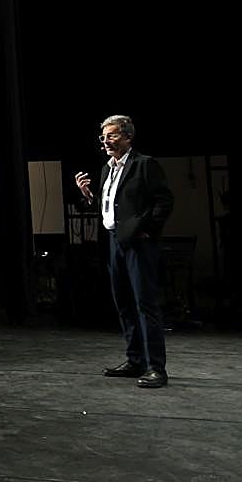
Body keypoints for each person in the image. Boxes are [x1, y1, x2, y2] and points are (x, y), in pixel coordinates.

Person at [75, 114, 174, 389]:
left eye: (112, 135)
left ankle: (156, 367)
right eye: (103, 136)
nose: (105, 140)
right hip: (113, 242)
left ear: (128, 136)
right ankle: (135, 360)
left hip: (138, 244)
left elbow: (163, 201)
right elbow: (111, 208)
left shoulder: (144, 165)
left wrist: (148, 231)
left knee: (145, 305)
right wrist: (88, 197)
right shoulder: (107, 169)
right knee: (124, 304)